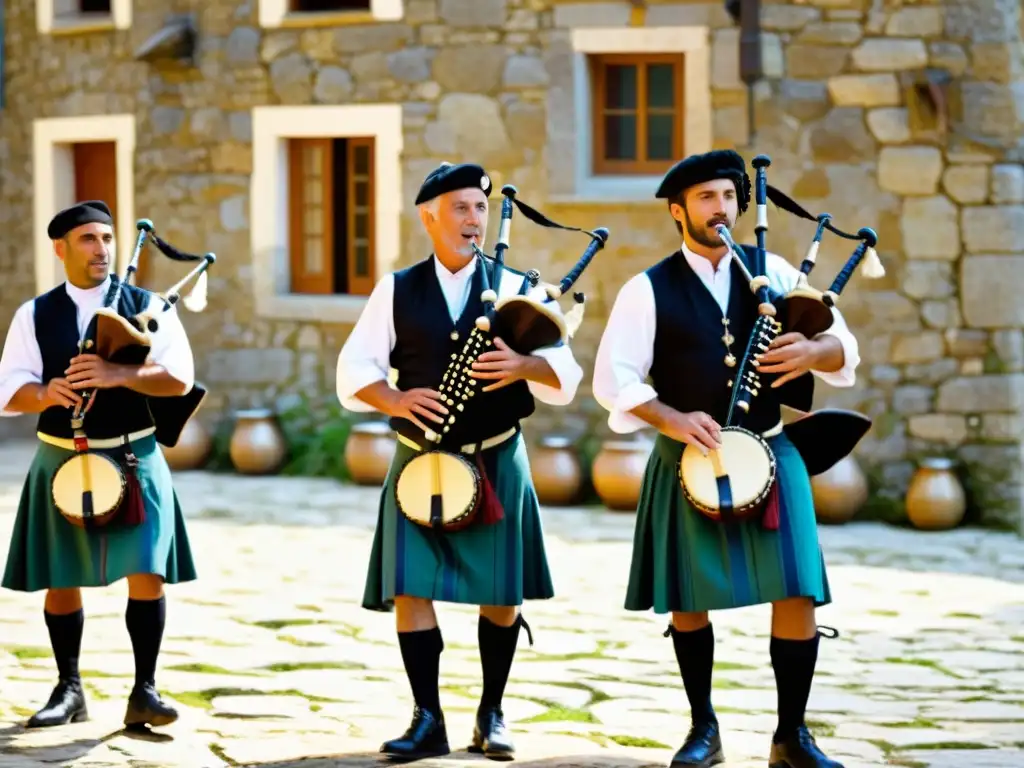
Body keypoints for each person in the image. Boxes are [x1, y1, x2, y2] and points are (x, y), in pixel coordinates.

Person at [592, 150, 860, 768]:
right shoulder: (647, 288)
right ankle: (703, 730)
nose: (721, 210)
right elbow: (615, 380)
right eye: (706, 198)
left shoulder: (777, 271)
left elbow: (842, 344)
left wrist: (812, 352)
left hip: (771, 445)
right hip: (688, 454)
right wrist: (672, 419)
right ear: (677, 210)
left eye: (728, 198)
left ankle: (791, 736)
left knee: (797, 589)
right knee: (689, 597)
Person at [336, 162, 583, 761]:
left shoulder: (519, 287)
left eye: (480, 208)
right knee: (411, 587)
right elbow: (353, 372)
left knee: (500, 592)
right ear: (429, 216)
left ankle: (491, 713)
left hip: (495, 455)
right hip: (420, 458)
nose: (473, 220)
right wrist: (393, 398)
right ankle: (427, 719)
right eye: (461, 208)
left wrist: (525, 366)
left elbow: (568, 376)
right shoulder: (397, 288)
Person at [0, 200, 198, 731]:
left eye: (108, 239)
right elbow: (8, 392)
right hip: (63, 456)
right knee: (60, 577)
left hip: (135, 452)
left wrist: (118, 373)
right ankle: (69, 690)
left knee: (147, 572)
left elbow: (178, 378)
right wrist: (45, 391)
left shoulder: (148, 305)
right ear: (61, 249)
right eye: (89, 239)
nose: (102, 249)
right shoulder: (34, 315)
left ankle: (145, 691)